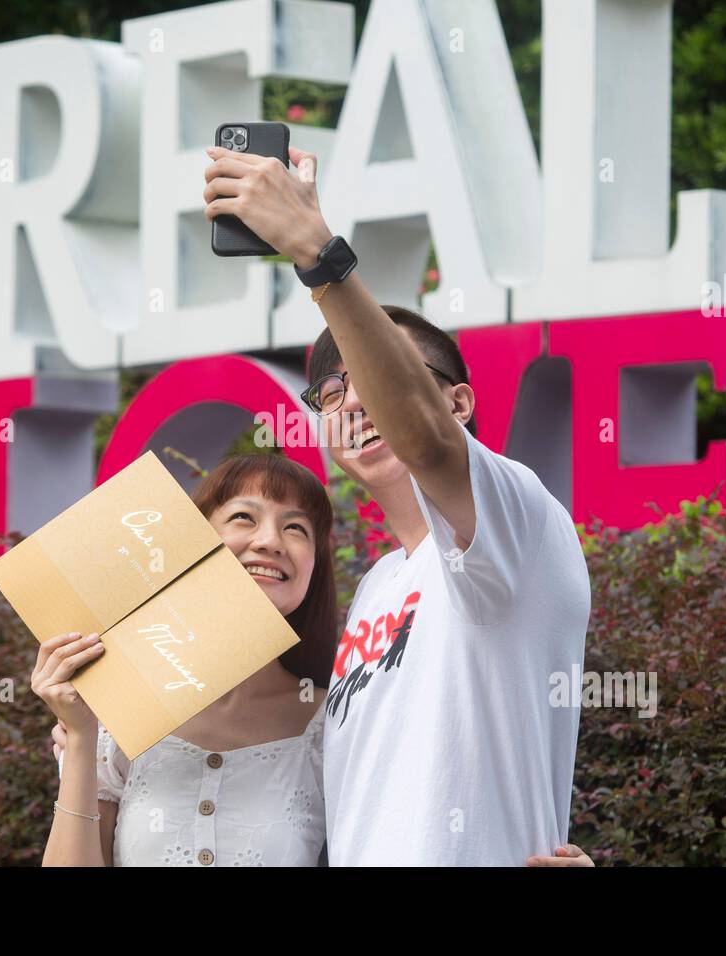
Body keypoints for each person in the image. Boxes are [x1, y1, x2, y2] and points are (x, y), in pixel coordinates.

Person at [198, 140, 593, 865]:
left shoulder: (518, 517)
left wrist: (319, 256)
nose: (355, 400)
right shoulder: (378, 584)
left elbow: (425, 438)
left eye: (377, 377)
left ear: (459, 402)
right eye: (333, 389)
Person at [37, 454, 594, 867]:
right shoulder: (118, 716)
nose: (270, 541)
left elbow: (438, 800)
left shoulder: (336, 723)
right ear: (193, 542)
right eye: (242, 519)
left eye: (296, 528)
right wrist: (82, 740)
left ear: (313, 567)